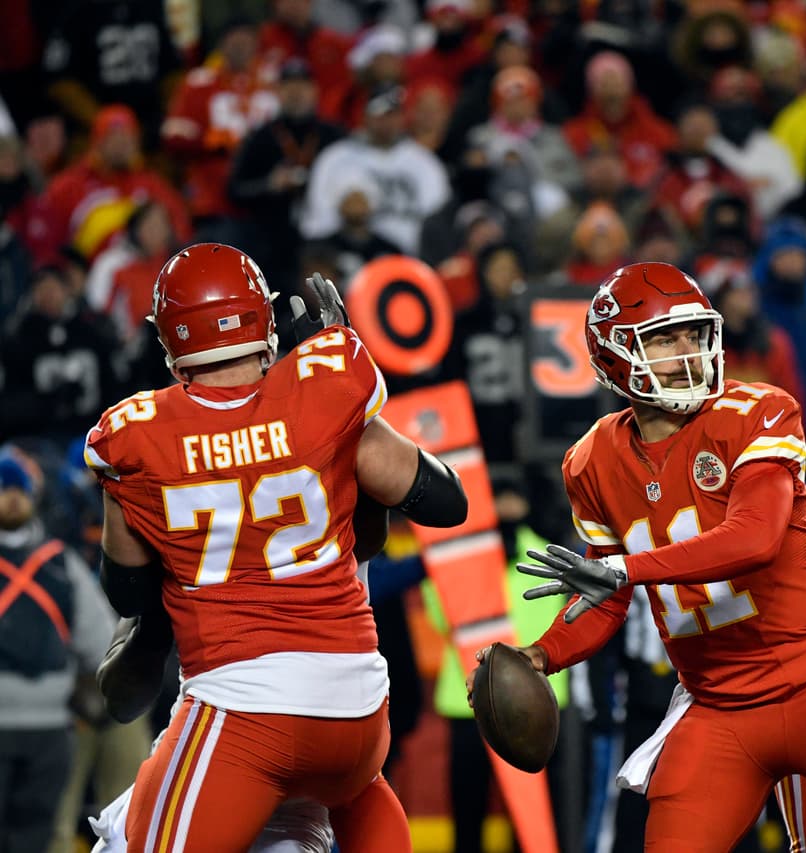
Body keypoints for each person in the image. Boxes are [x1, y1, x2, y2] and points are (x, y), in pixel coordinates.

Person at [474, 262, 806, 851]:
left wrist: (625, 570)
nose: (688, 351)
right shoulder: (590, 460)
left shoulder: (758, 410)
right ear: (615, 355)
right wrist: (540, 655)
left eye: (693, 333)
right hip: (717, 706)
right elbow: (605, 600)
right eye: (665, 338)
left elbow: (755, 538)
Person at [83, 244, 468, 851]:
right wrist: (328, 362)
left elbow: (126, 588)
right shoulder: (328, 386)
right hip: (358, 710)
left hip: (244, 706)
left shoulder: (132, 435)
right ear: (266, 316)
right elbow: (447, 503)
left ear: (168, 338)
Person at [0, 450, 114, 853]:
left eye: (18, 488)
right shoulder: (59, 563)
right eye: (3, 488)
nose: (12, 497)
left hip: (50, 727)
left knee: (37, 838)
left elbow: (101, 642)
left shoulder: (60, 563)